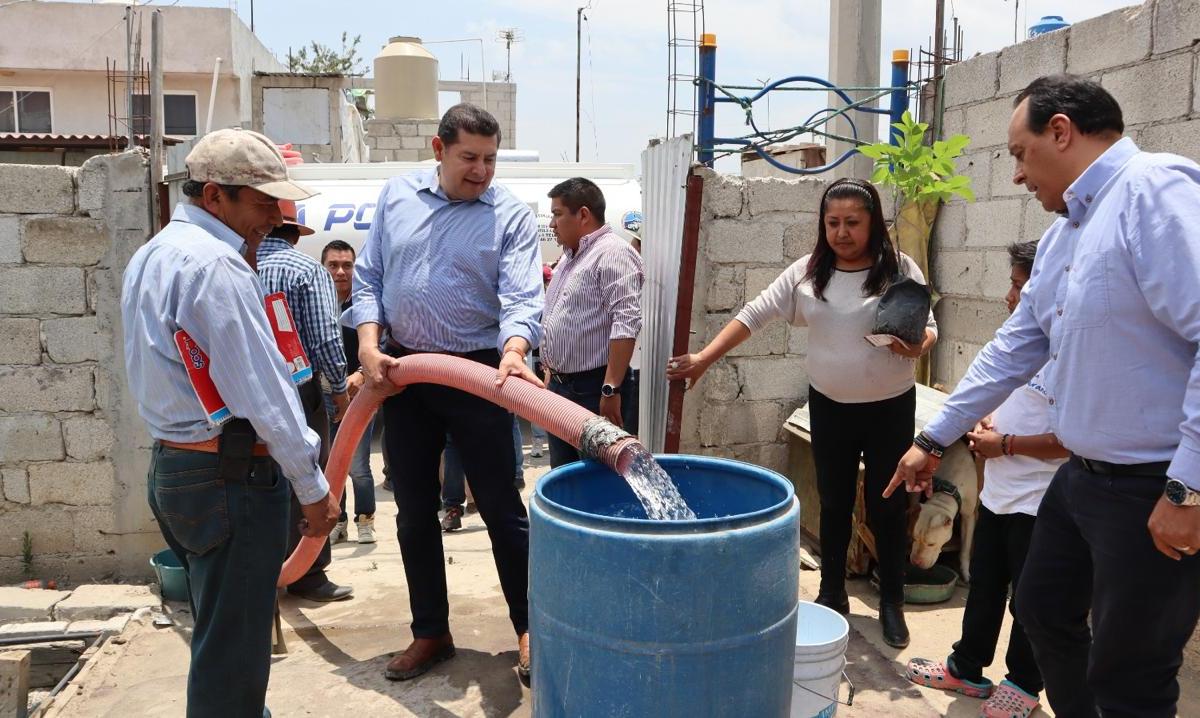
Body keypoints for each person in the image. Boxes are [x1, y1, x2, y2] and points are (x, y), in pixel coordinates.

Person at [886, 74, 1200, 718]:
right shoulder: (1066, 234)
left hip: (1153, 482)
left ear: (1062, 131)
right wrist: (932, 437)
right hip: (1083, 479)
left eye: (1018, 154)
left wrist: (1188, 488)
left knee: (1133, 669)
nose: (1019, 177)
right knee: (1040, 607)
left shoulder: (1154, 191)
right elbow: (1014, 346)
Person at [121, 128, 340, 717]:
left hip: (179, 467)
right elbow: (265, 396)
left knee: (222, 639)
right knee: (233, 662)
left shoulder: (155, 253)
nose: (275, 215)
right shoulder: (217, 267)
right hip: (229, 479)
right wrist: (313, 491)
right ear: (214, 196)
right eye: (262, 201)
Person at [668, 178, 936, 648]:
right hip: (829, 408)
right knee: (832, 504)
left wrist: (917, 343)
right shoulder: (809, 273)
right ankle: (833, 593)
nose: (842, 232)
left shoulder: (899, 269)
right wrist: (704, 358)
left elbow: (928, 328)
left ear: (872, 223)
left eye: (853, 222)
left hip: (890, 410)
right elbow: (754, 314)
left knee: (887, 506)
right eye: (833, 222)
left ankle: (892, 601)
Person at [352, 103, 543, 682]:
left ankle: (531, 625)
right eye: (469, 158)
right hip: (405, 371)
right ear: (439, 151)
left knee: (503, 509)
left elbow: (521, 295)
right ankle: (430, 630)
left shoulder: (509, 214)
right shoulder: (396, 196)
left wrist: (515, 350)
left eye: (489, 159)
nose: (481, 170)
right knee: (412, 510)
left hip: (483, 371)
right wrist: (367, 345)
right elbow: (370, 277)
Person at [905, 240, 1068, 718]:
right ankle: (967, 666)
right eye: (1012, 285)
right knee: (986, 583)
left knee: (1032, 598)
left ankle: (1022, 683)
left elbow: (1076, 438)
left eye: (1021, 286)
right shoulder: (1020, 340)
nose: (1010, 297)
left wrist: (1008, 445)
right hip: (1001, 489)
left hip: (1043, 500)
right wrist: (982, 425)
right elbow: (997, 391)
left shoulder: (1074, 352)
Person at [257, 202, 354, 603]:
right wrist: (339, 392)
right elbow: (326, 341)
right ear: (295, 233)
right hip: (298, 389)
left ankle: (264, 568)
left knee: (262, 477)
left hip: (246, 388)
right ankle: (307, 572)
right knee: (310, 472)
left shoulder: (235, 263)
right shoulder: (305, 271)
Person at [541, 177, 644, 467]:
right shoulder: (570, 258)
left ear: (583, 215)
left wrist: (610, 389)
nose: (552, 224)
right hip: (562, 388)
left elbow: (626, 321)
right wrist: (551, 371)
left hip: (593, 388)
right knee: (565, 477)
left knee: (597, 479)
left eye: (558, 214)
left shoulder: (613, 253)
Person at [321, 239, 378, 544]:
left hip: (360, 396)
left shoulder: (366, 306)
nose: (341, 272)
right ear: (324, 267)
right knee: (331, 465)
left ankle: (365, 520)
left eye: (347, 265)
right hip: (326, 398)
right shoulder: (317, 303)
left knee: (358, 466)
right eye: (333, 265)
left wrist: (358, 375)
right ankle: (338, 521)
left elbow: (377, 347)